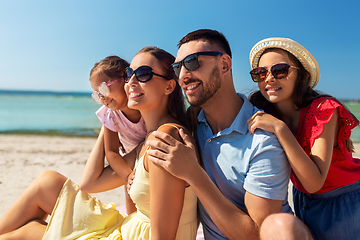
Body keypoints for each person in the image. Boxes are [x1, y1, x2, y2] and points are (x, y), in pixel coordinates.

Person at [0, 46, 198, 240]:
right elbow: (91, 181)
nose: (132, 82)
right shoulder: (150, 139)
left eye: (144, 74)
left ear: (169, 86)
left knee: (21, 234)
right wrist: (108, 122)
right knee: (47, 183)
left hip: (132, 234)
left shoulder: (164, 140)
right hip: (128, 227)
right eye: (130, 74)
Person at [146, 29, 292, 240]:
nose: (183, 76)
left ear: (224, 64)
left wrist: (193, 174)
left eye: (193, 62)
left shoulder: (263, 141)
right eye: (178, 68)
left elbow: (257, 235)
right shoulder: (195, 120)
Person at [247, 37, 360, 239]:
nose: (269, 78)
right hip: (303, 199)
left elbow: (314, 182)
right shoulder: (267, 111)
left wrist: (280, 129)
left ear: (302, 76)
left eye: (280, 70)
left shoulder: (322, 110)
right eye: (261, 73)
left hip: (344, 202)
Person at [80, 55, 147, 214]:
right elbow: (111, 152)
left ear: (126, 78)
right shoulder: (110, 115)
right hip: (128, 161)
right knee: (130, 192)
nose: (102, 98)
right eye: (97, 94)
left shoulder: (145, 103)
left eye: (103, 89)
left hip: (148, 154)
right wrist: (127, 176)